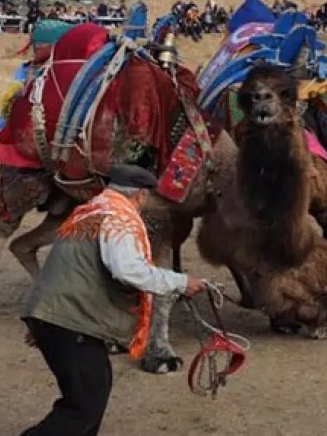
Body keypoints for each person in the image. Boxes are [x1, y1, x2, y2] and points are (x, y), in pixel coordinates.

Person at [19, 164, 208, 436]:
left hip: (56, 318)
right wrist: (180, 282)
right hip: (71, 322)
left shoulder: (87, 213)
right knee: (81, 408)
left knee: (93, 392)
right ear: (141, 196)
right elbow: (128, 270)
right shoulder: (119, 218)